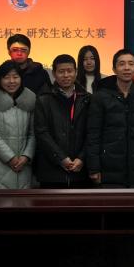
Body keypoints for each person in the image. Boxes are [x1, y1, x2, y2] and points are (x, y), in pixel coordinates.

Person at [86, 49, 134, 187]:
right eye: (122, 64)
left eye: (131, 64)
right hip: (108, 171)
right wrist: (94, 168)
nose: (127, 68)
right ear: (114, 69)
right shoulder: (100, 97)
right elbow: (93, 135)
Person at [33, 54, 90, 188]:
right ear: (54, 74)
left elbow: (92, 133)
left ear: (76, 72)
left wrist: (81, 158)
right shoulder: (43, 99)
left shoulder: (87, 99)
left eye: (69, 71)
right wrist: (61, 158)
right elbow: (41, 133)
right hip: (51, 173)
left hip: (81, 171)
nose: (66, 75)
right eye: (61, 71)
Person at [0, 60, 36, 194]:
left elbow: (34, 133)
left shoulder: (30, 100)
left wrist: (26, 156)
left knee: (23, 204)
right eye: (6, 77)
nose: (11, 81)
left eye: (15, 77)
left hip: (24, 167)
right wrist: (10, 158)